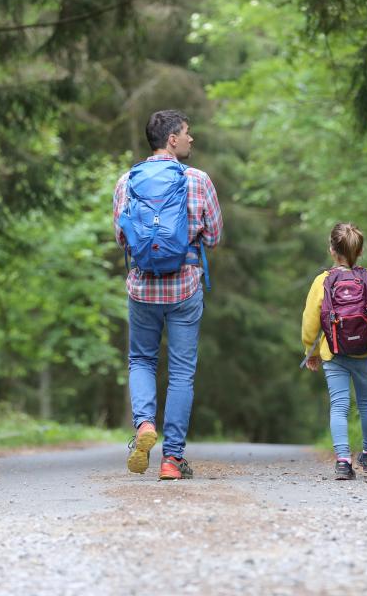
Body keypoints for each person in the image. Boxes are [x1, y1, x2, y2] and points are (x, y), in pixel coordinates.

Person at [113, 110, 223, 480]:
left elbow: (122, 237)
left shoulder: (127, 181)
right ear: (172, 139)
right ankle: (172, 460)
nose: (192, 139)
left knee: (141, 360)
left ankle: (144, 424)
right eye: (187, 133)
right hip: (185, 286)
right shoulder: (198, 180)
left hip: (142, 286)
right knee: (181, 373)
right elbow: (215, 236)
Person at [301, 222, 367, 480]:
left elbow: (310, 323)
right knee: (366, 404)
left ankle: (343, 461)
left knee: (339, 406)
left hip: (334, 354)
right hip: (365, 353)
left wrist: (310, 351)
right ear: (360, 250)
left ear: (332, 250)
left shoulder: (322, 281)